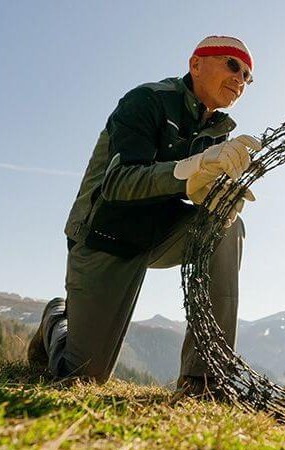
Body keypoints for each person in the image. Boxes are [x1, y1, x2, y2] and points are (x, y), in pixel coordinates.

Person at [27, 36, 260, 396]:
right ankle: (57, 317)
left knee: (227, 225)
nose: (240, 79)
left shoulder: (219, 133)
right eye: (232, 65)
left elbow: (194, 190)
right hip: (105, 234)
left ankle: (205, 380)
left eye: (247, 76)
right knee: (82, 377)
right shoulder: (146, 100)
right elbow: (118, 184)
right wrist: (191, 170)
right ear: (196, 64)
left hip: (160, 233)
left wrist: (217, 197)